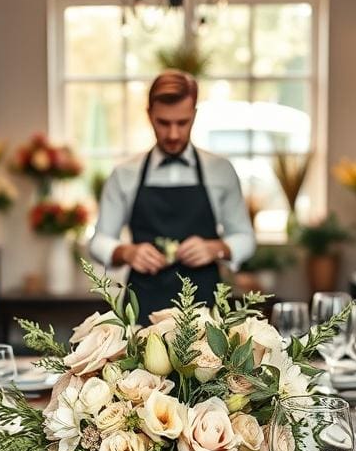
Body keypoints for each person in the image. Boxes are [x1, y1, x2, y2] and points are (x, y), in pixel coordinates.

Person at [89, 70, 255, 321]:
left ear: (195, 116)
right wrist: (127, 252)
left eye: (183, 122)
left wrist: (217, 248)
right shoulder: (124, 173)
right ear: (149, 116)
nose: (174, 134)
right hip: (142, 305)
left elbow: (245, 238)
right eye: (164, 123)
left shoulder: (221, 171)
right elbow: (99, 239)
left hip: (205, 307)